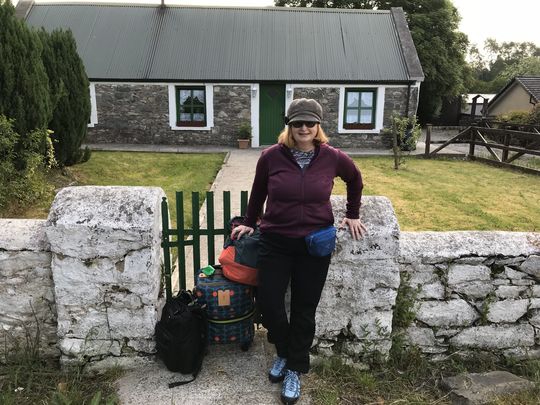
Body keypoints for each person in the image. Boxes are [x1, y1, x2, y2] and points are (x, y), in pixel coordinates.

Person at [231, 98, 366, 405]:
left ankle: (294, 367)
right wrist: (250, 222)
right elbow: (258, 192)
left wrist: (353, 213)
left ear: (318, 126)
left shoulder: (332, 157)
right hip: (276, 240)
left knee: (305, 308)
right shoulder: (271, 157)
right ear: (289, 126)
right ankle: (283, 351)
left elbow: (355, 180)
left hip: (314, 244)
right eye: (297, 123)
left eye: (309, 123)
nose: (303, 128)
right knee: (269, 302)